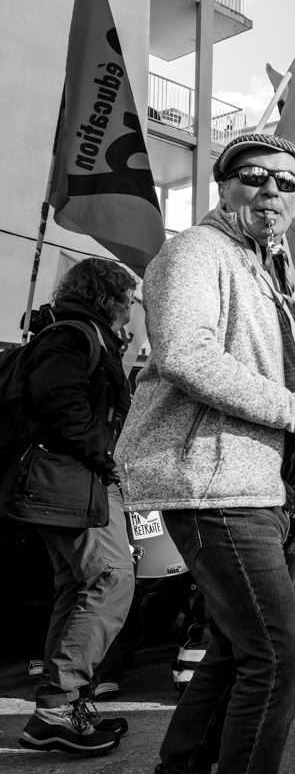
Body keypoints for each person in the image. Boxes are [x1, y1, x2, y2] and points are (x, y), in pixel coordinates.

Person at [114, 134, 295, 774]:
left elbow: (284, 378)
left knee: (236, 650)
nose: (272, 191)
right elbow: (189, 356)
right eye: (254, 177)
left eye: (287, 182)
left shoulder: (264, 267)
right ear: (224, 183)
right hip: (214, 483)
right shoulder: (196, 251)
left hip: (253, 482)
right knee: (278, 657)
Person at [12, 259, 137, 754]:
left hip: (63, 480)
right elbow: (57, 395)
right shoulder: (76, 333)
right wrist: (102, 453)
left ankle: (62, 710)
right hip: (71, 479)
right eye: (127, 299)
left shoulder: (78, 331)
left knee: (77, 585)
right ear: (108, 297)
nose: (131, 311)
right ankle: (59, 704)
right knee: (112, 578)